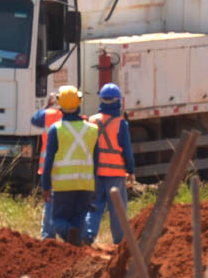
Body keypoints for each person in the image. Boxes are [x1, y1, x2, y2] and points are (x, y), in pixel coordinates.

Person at [40, 85, 99, 245]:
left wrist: (45, 185)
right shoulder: (93, 129)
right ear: (79, 103)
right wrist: (96, 186)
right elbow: (96, 160)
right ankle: (76, 248)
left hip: (63, 185)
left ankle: (68, 233)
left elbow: (48, 161)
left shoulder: (56, 130)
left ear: (60, 106)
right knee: (79, 219)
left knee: (58, 220)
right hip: (85, 184)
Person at [84, 83, 136, 244]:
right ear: (118, 101)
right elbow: (127, 150)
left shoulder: (91, 121)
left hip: (96, 173)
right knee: (117, 210)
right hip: (115, 174)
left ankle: (87, 236)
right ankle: (119, 242)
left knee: (94, 206)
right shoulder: (121, 123)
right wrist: (131, 170)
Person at [30, 92, 63, 239]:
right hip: (68, 169)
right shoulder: (80, 120)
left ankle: (48, 235)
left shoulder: (49, 115)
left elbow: (35, 119)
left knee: (50, 200)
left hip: (49, 167)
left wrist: (48, 105)